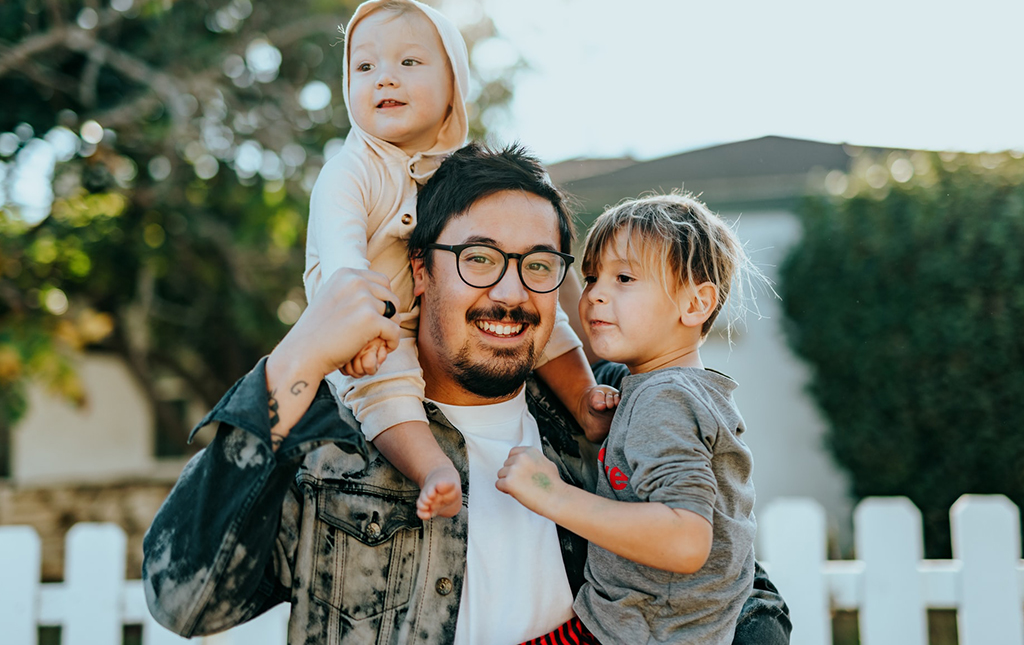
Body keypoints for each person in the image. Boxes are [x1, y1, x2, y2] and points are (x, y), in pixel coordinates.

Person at [142, 144, 790, 645]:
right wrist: (297, 357)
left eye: (537, 265)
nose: (510, 294)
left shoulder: (604, 411)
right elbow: (184, 598)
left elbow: (735, 582)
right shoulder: (328, 438)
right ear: (420, 271)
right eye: (479, 258)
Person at [304, 0, 616, 521]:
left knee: (546, 316)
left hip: (419, 316)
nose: (384, 78)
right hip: (370, 327)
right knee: (386, 390)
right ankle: (432, 468)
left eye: (408, 62)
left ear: (454, 86)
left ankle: (585, 401)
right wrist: (360, 331)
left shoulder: (461, 174)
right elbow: (342, 264)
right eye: (364, 66)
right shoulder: (350, 170)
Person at [499, 194, 766, 644]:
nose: (596, 293)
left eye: (623, 277)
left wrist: (551, 495)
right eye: (590, 277)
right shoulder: (675, 390)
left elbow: (686, 540)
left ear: (696, 304)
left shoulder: (664, 398)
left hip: (636, 632)